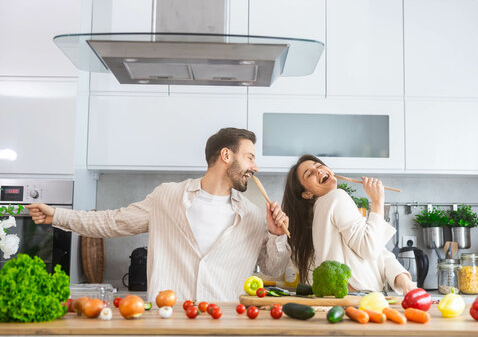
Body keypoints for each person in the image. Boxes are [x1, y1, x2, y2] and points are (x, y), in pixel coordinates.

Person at [27, 128, 291, 302]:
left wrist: (276, 235)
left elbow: (273, 268)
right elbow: (113, 222)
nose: (255, 167)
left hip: (226, 325)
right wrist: (58, 216)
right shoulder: (167, 197)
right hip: (168, 323)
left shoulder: (254, 216)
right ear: (226, 155)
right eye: (249, 157)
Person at [282, 154, 415, 295]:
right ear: (307, 194)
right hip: (358, 298)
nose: (318, 171)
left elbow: (380, 254)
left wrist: (405, 281)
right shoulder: (336, 197)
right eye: (309, 174)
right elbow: (370, 248)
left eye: (319, 166)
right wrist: (377, 202)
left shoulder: (318, 213)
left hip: (342, 299)